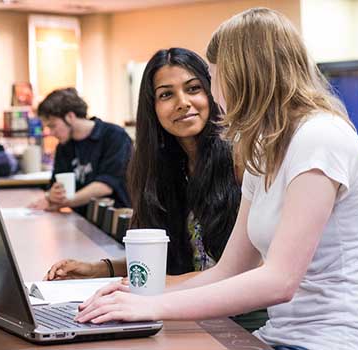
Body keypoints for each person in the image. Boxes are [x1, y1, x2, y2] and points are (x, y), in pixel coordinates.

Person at [75, 8, 358, 350]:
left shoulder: (319, 138)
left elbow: (280, 281)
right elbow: (227, 270)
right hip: (284, 337)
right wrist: (139, 294)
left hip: (341, 341)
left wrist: (152, 305)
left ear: (245, 75)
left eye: (213, 78)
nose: (214, 94)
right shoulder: (264, 150)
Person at [44, 48, 267, 330]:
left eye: (193, 88)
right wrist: (99, 270)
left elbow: (252, 269)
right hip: (187, 313)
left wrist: (142, 289)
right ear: (152, 107)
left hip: (243, 323)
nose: (183, 102)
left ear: (211, 92)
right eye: (166, 94)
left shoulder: (242, 160)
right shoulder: (160, 170)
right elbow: (169, 258)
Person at [29, 88, 132, 216]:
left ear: (70, 116)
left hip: (113, 222)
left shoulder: (114, 136)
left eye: (53, 125)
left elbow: (105, 185)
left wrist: (63, 202)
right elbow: (56, 183)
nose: (51, 132)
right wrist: (52, 194)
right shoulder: (64, 146)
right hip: (80, 220)